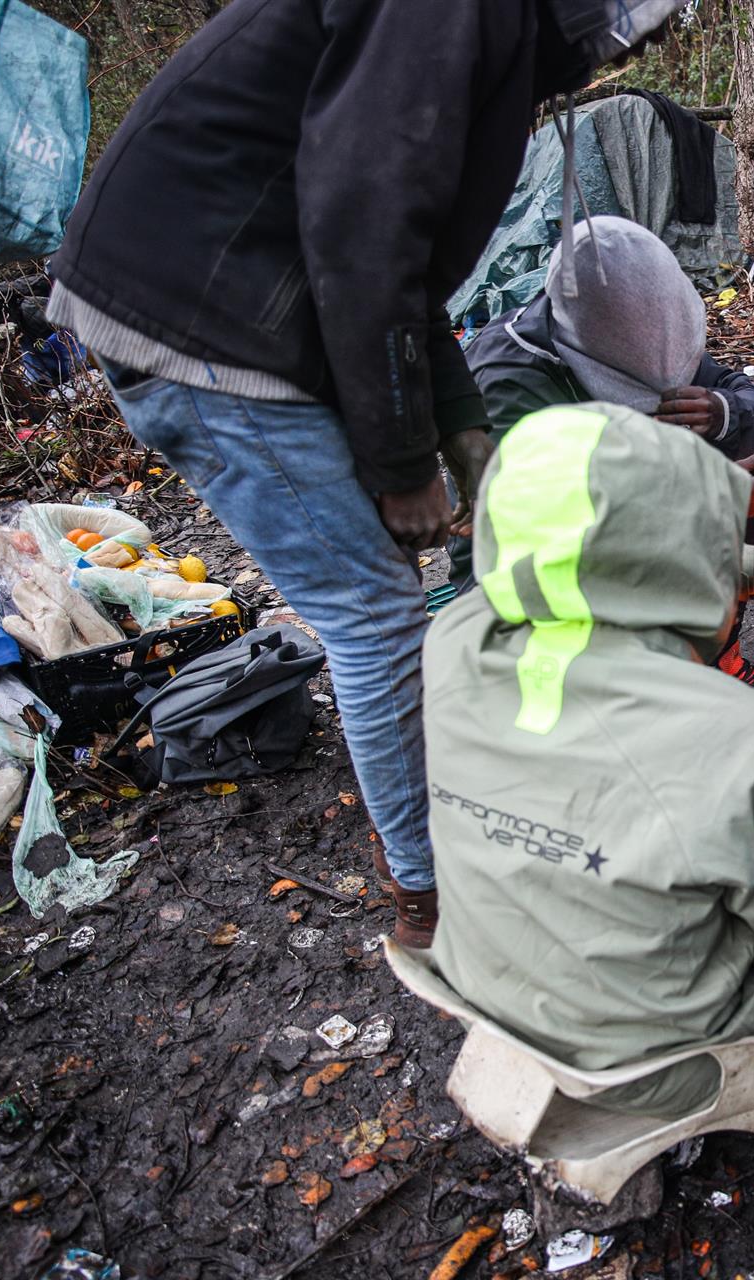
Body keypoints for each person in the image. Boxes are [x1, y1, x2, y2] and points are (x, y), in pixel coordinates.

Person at [44, 0, 679, 947]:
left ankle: (442, 811)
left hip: (249, 306)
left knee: (385, 590)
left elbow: (404, 265)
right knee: (374, 611)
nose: (650, 46)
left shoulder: (484, 37)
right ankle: (433, 903)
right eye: (651, 25)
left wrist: (462, 430)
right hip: (206, 318)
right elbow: (361, 227)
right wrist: (399, 462)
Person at [423, 401, 754, 1118]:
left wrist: (747, 561)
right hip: (678, 1068)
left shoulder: (454, 639)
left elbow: (571, 570)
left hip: (503, 1018)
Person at [456, 215, 754, 682]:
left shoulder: (641, 323)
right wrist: (708, 496)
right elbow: (560, 534)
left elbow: (741, 398)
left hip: (648, 540)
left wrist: (720, 410)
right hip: (537, 591)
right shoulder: (509, 381)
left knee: (742, 451)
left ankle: (711, 657)